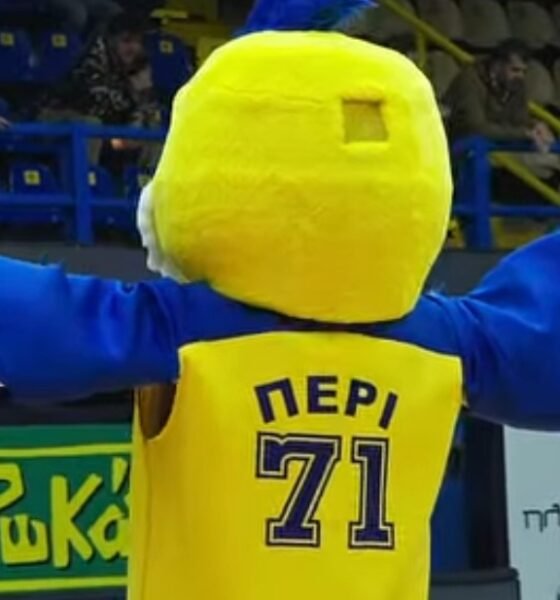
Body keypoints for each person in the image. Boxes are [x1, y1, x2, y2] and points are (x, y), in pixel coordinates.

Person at [445, 39, 560, 204]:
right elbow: (476, 128)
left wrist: (535, 126)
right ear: (497, 65)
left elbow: (519, 121)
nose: (520, 76)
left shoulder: (516, 84)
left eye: (523, 71)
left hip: (499, 147)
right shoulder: (468, 81)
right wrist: (525, 133)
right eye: (514, 70)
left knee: (551, 156)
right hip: (461, 150)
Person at [38, 13, 161, 165]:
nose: (133, 48)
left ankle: (145, 178)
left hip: (107, 124)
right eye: (126, 41)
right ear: (112, 40)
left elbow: (150, 114)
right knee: (91, 125)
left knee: (154, 135)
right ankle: (89, 177)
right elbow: (99, 105)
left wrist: (144, 95)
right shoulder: (91, 58)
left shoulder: (139, 64)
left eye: (138, 42)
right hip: (56, 116)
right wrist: (135, 94)